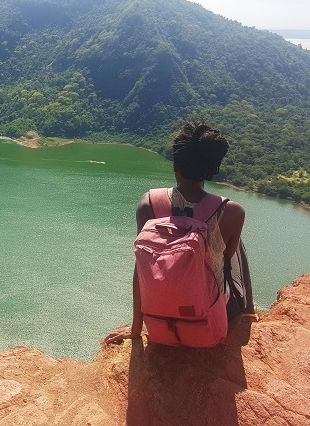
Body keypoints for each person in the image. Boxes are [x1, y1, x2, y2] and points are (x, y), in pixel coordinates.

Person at [104, 122, 248, 345]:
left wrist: (135, 329)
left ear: (175, 167)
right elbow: (226, 258)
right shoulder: (231, 212)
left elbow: (139, 270)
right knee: (237, 248)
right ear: (211, 171)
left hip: (159, 330)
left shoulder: (148, 204)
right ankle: (247, 313)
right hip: (209, 332)